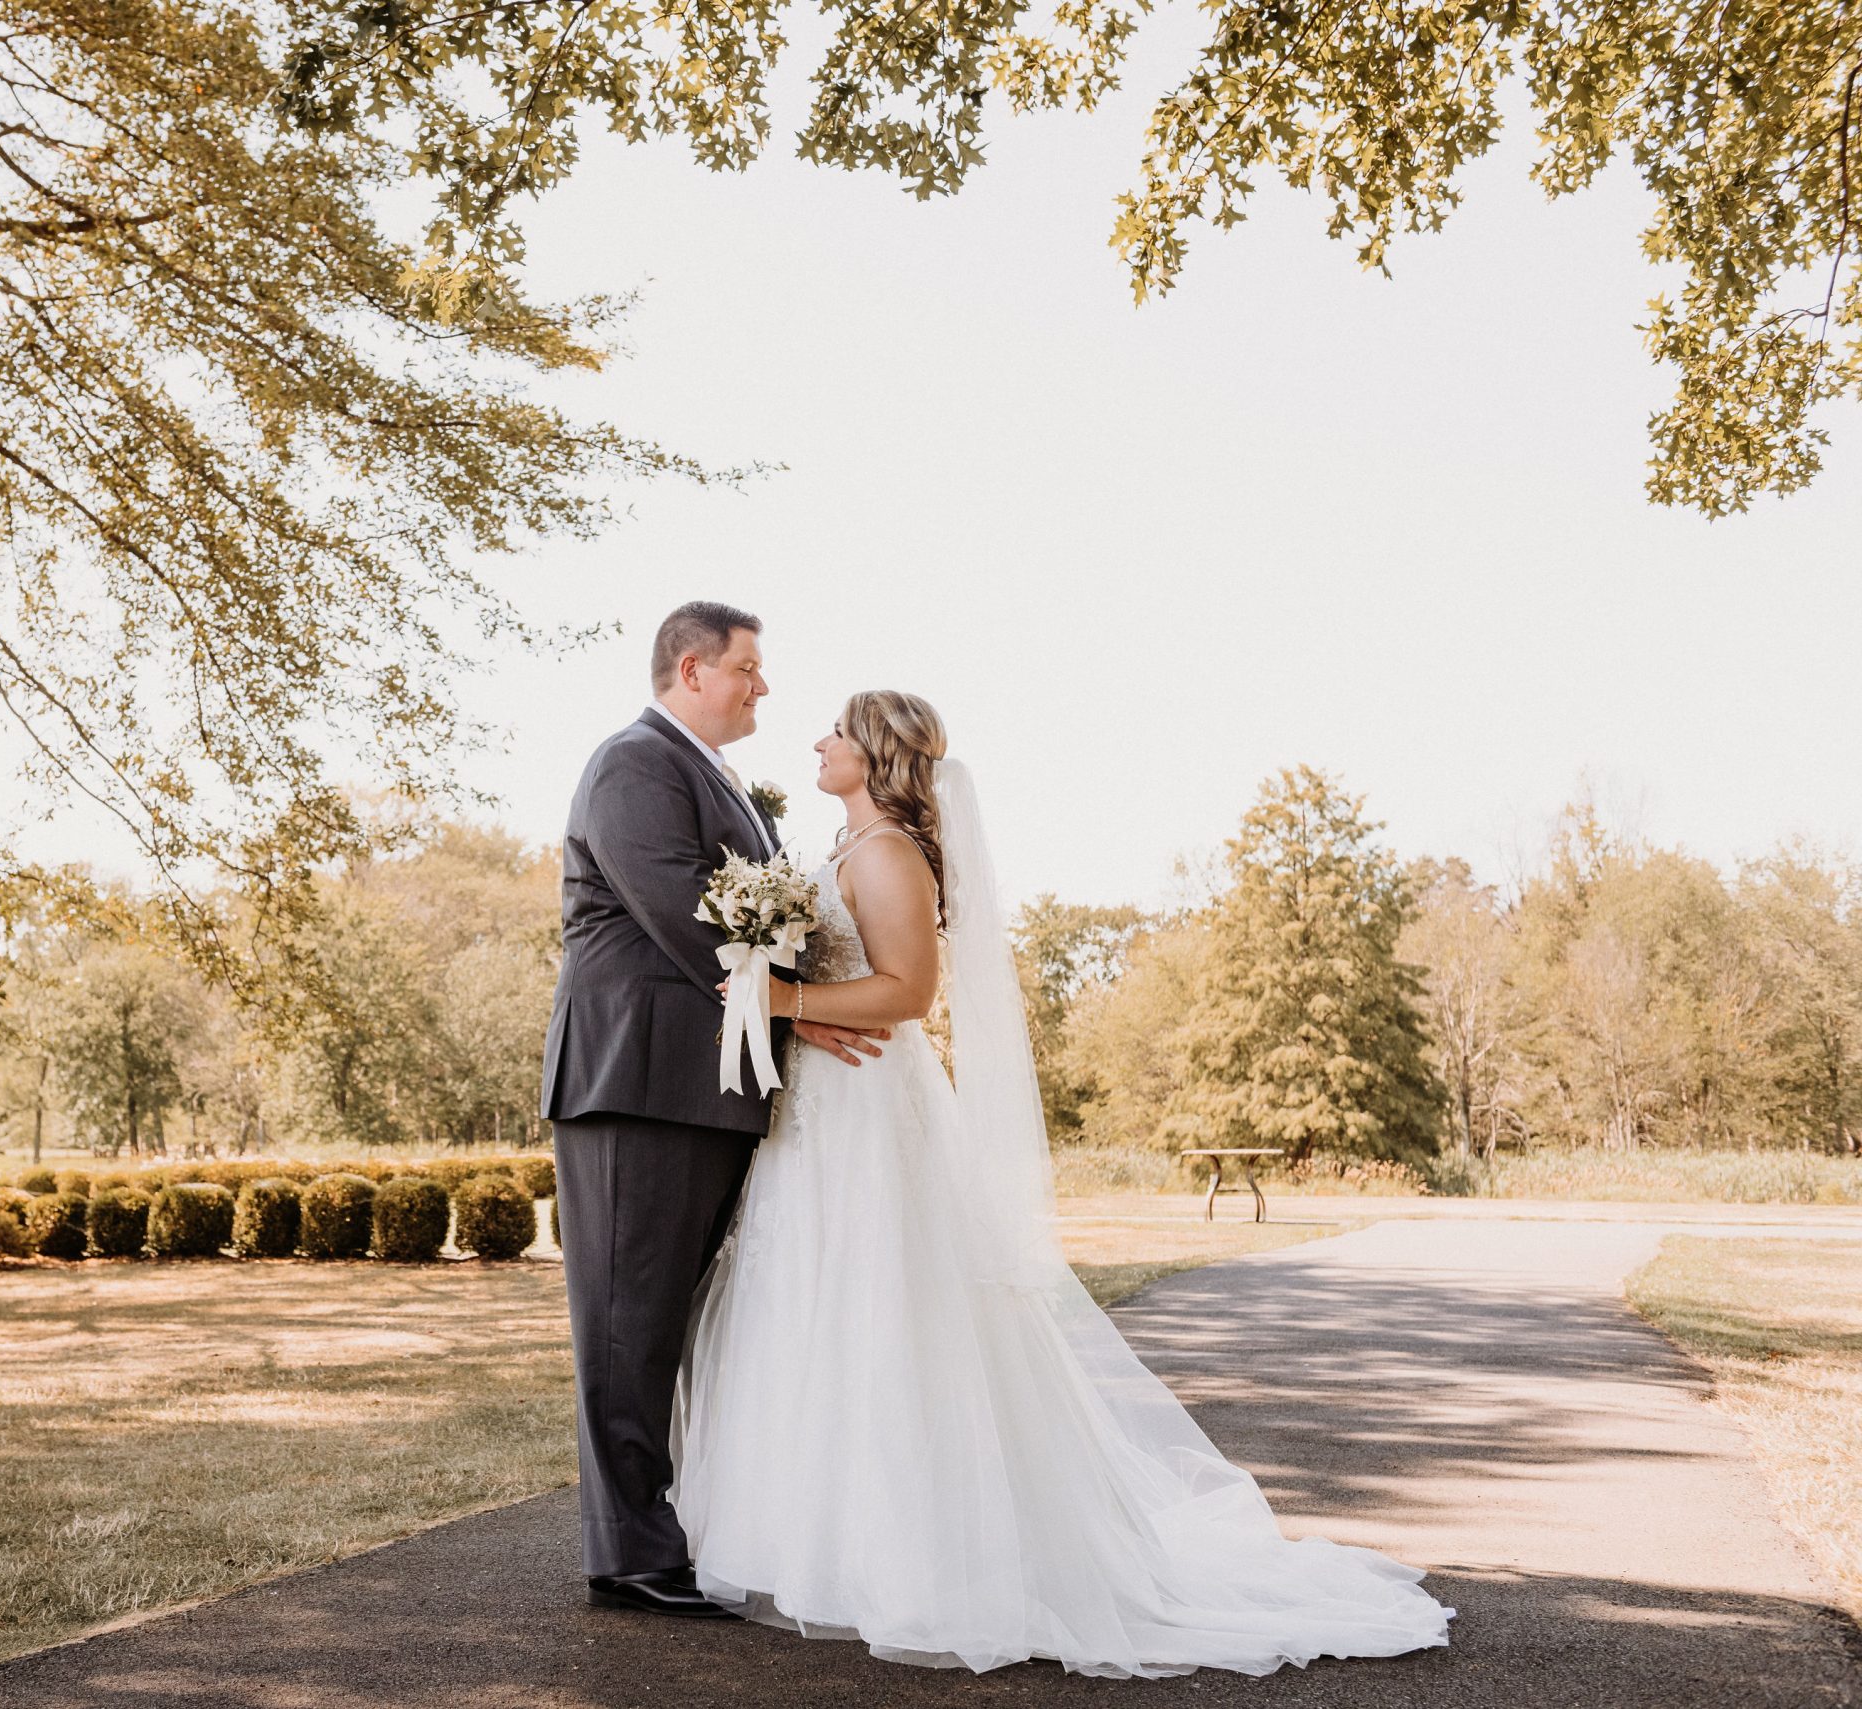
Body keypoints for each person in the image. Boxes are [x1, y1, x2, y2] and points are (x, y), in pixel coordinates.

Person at [672, 689, 1457, 1677]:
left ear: (872, 753)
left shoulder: (886, 855)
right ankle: (818, 1537)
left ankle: (916, 1552)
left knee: (882, 1305)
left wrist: (774, 993)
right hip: (818, 1110)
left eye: (835, 728)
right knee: (809, 1300)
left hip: (871, 1113)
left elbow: (908, 992)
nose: (818, 740)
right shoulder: (837, 852)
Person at [540, 601, 888, 1618]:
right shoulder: (633, 763)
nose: (762, 688)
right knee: (625, 1324)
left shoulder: (719, 778)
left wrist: (792, 1003)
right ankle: (631, 1555)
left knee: (673, 1322)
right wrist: (795, 1007)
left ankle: (670, 1528)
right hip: (637, 1082)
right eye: (747, 668)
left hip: (706, 1086)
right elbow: (687, 916)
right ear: (691, 667)